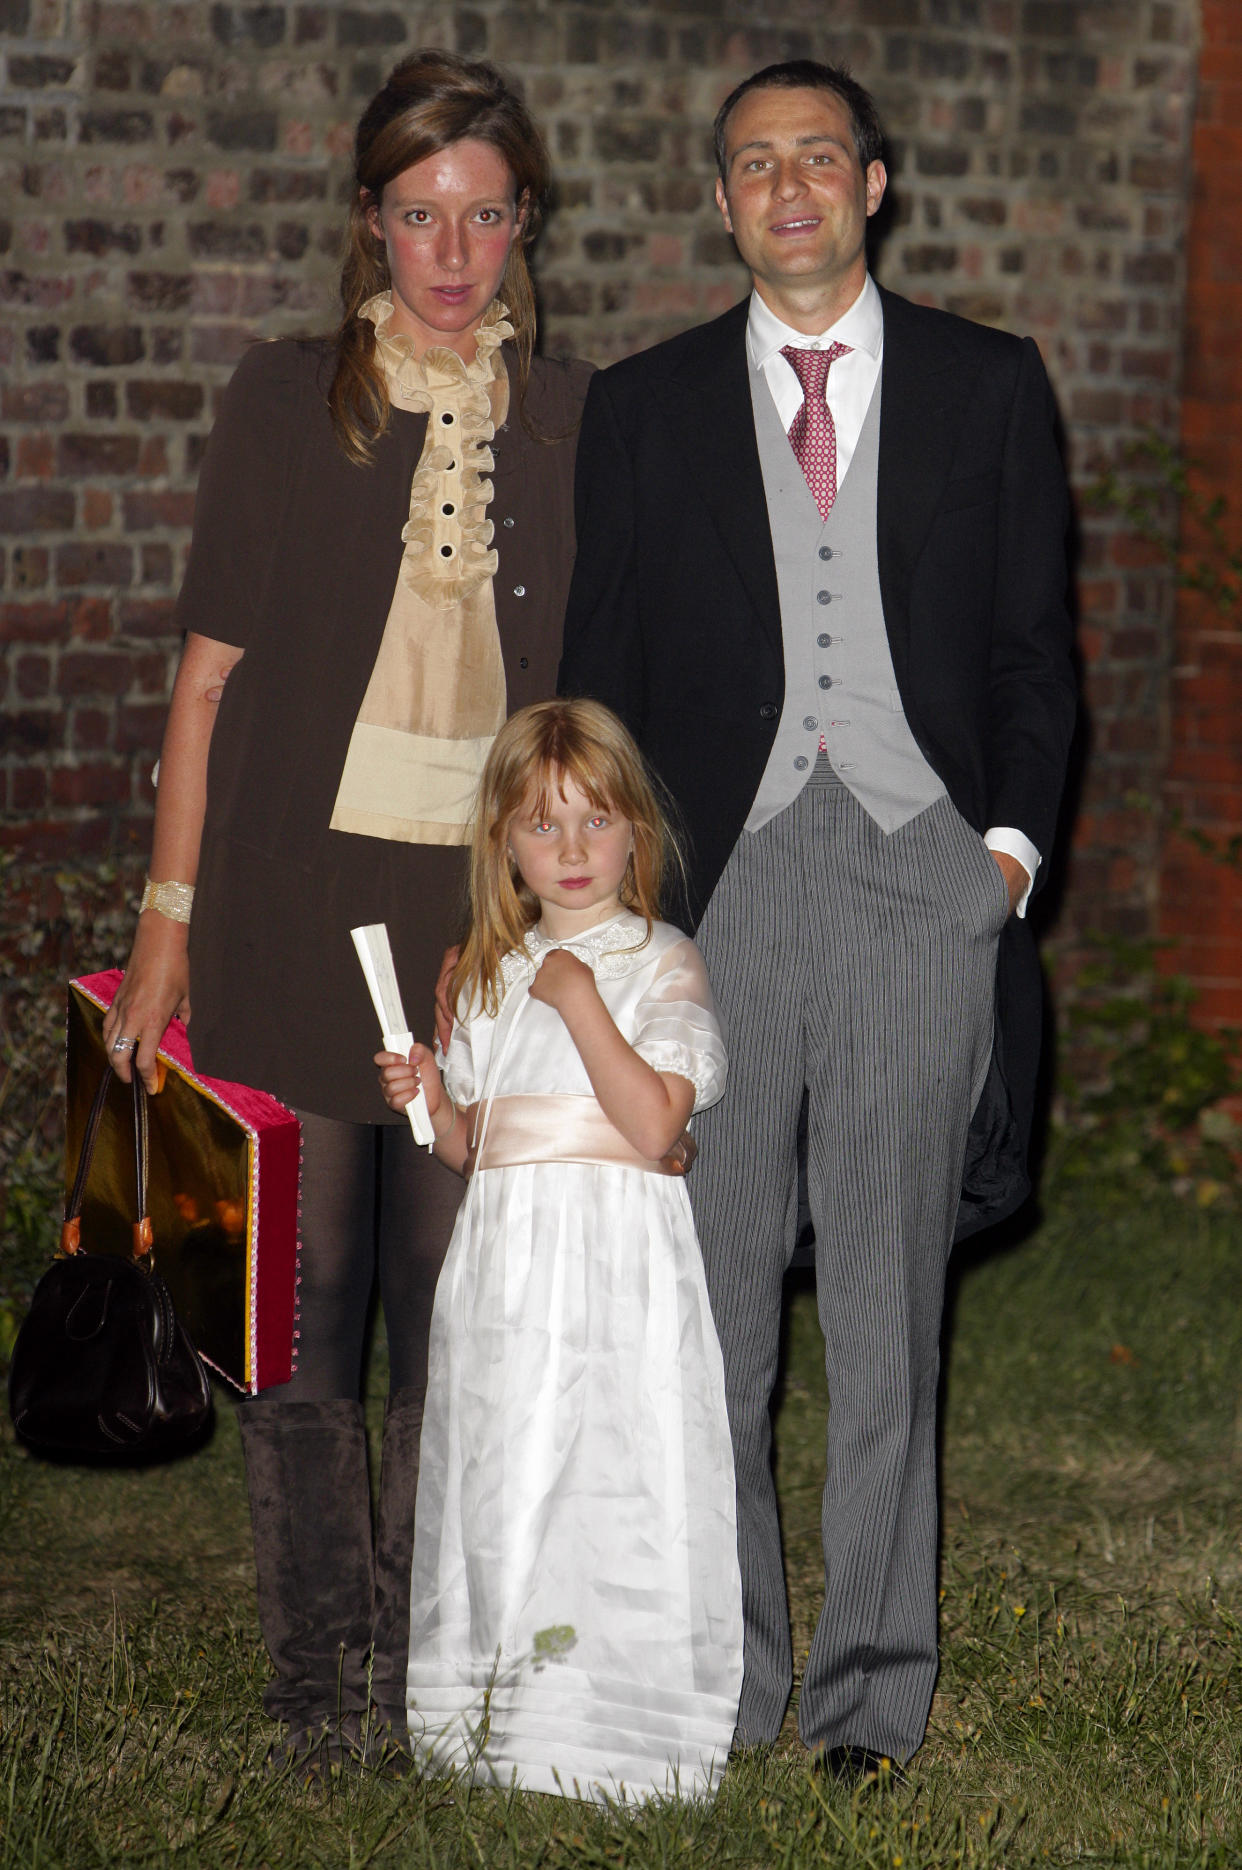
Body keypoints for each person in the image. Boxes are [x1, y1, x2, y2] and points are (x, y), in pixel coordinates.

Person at [559, 60, 1078, 1775]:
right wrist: (623, 919)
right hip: (724, 885)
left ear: (872, 185)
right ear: (721, 203)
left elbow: (1028, 651)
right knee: (706, 1313)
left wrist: (999, 862)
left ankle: (866, 1697)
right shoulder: (638, 411)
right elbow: (597, 683)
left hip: (922, 874)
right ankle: (721, 1676)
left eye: (814, 159)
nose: (784, 186)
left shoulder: (989, 386)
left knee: (882, 1311)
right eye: (750, 164)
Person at [103, 50, 592, 1769]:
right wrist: (167, 927)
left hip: (474, 929)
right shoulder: (282, 393)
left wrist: (542, 924)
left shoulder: (570, 419)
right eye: (414, 214)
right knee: (298, 1342)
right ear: (367, 219)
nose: (447, 252)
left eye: (479, 214)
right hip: (290, 908)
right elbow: (208, 686)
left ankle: (430, 1675)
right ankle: (322, 1694)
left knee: (457, 1327)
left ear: (523, 221)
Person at [376, 698, 743, 1802]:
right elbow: (474, 1148)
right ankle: (498, 1717)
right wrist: (435, 1100)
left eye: (595, 821)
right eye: (543, 826)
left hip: (620, 1271)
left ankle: (631, 1735)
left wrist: (583, 1000)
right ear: (505, 845)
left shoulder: (661, 960)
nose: (573, 850)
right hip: (505, 1275)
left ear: (638, 831)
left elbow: (654, 1125)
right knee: (508, 1467)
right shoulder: (485, 972)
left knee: (617, 1473)